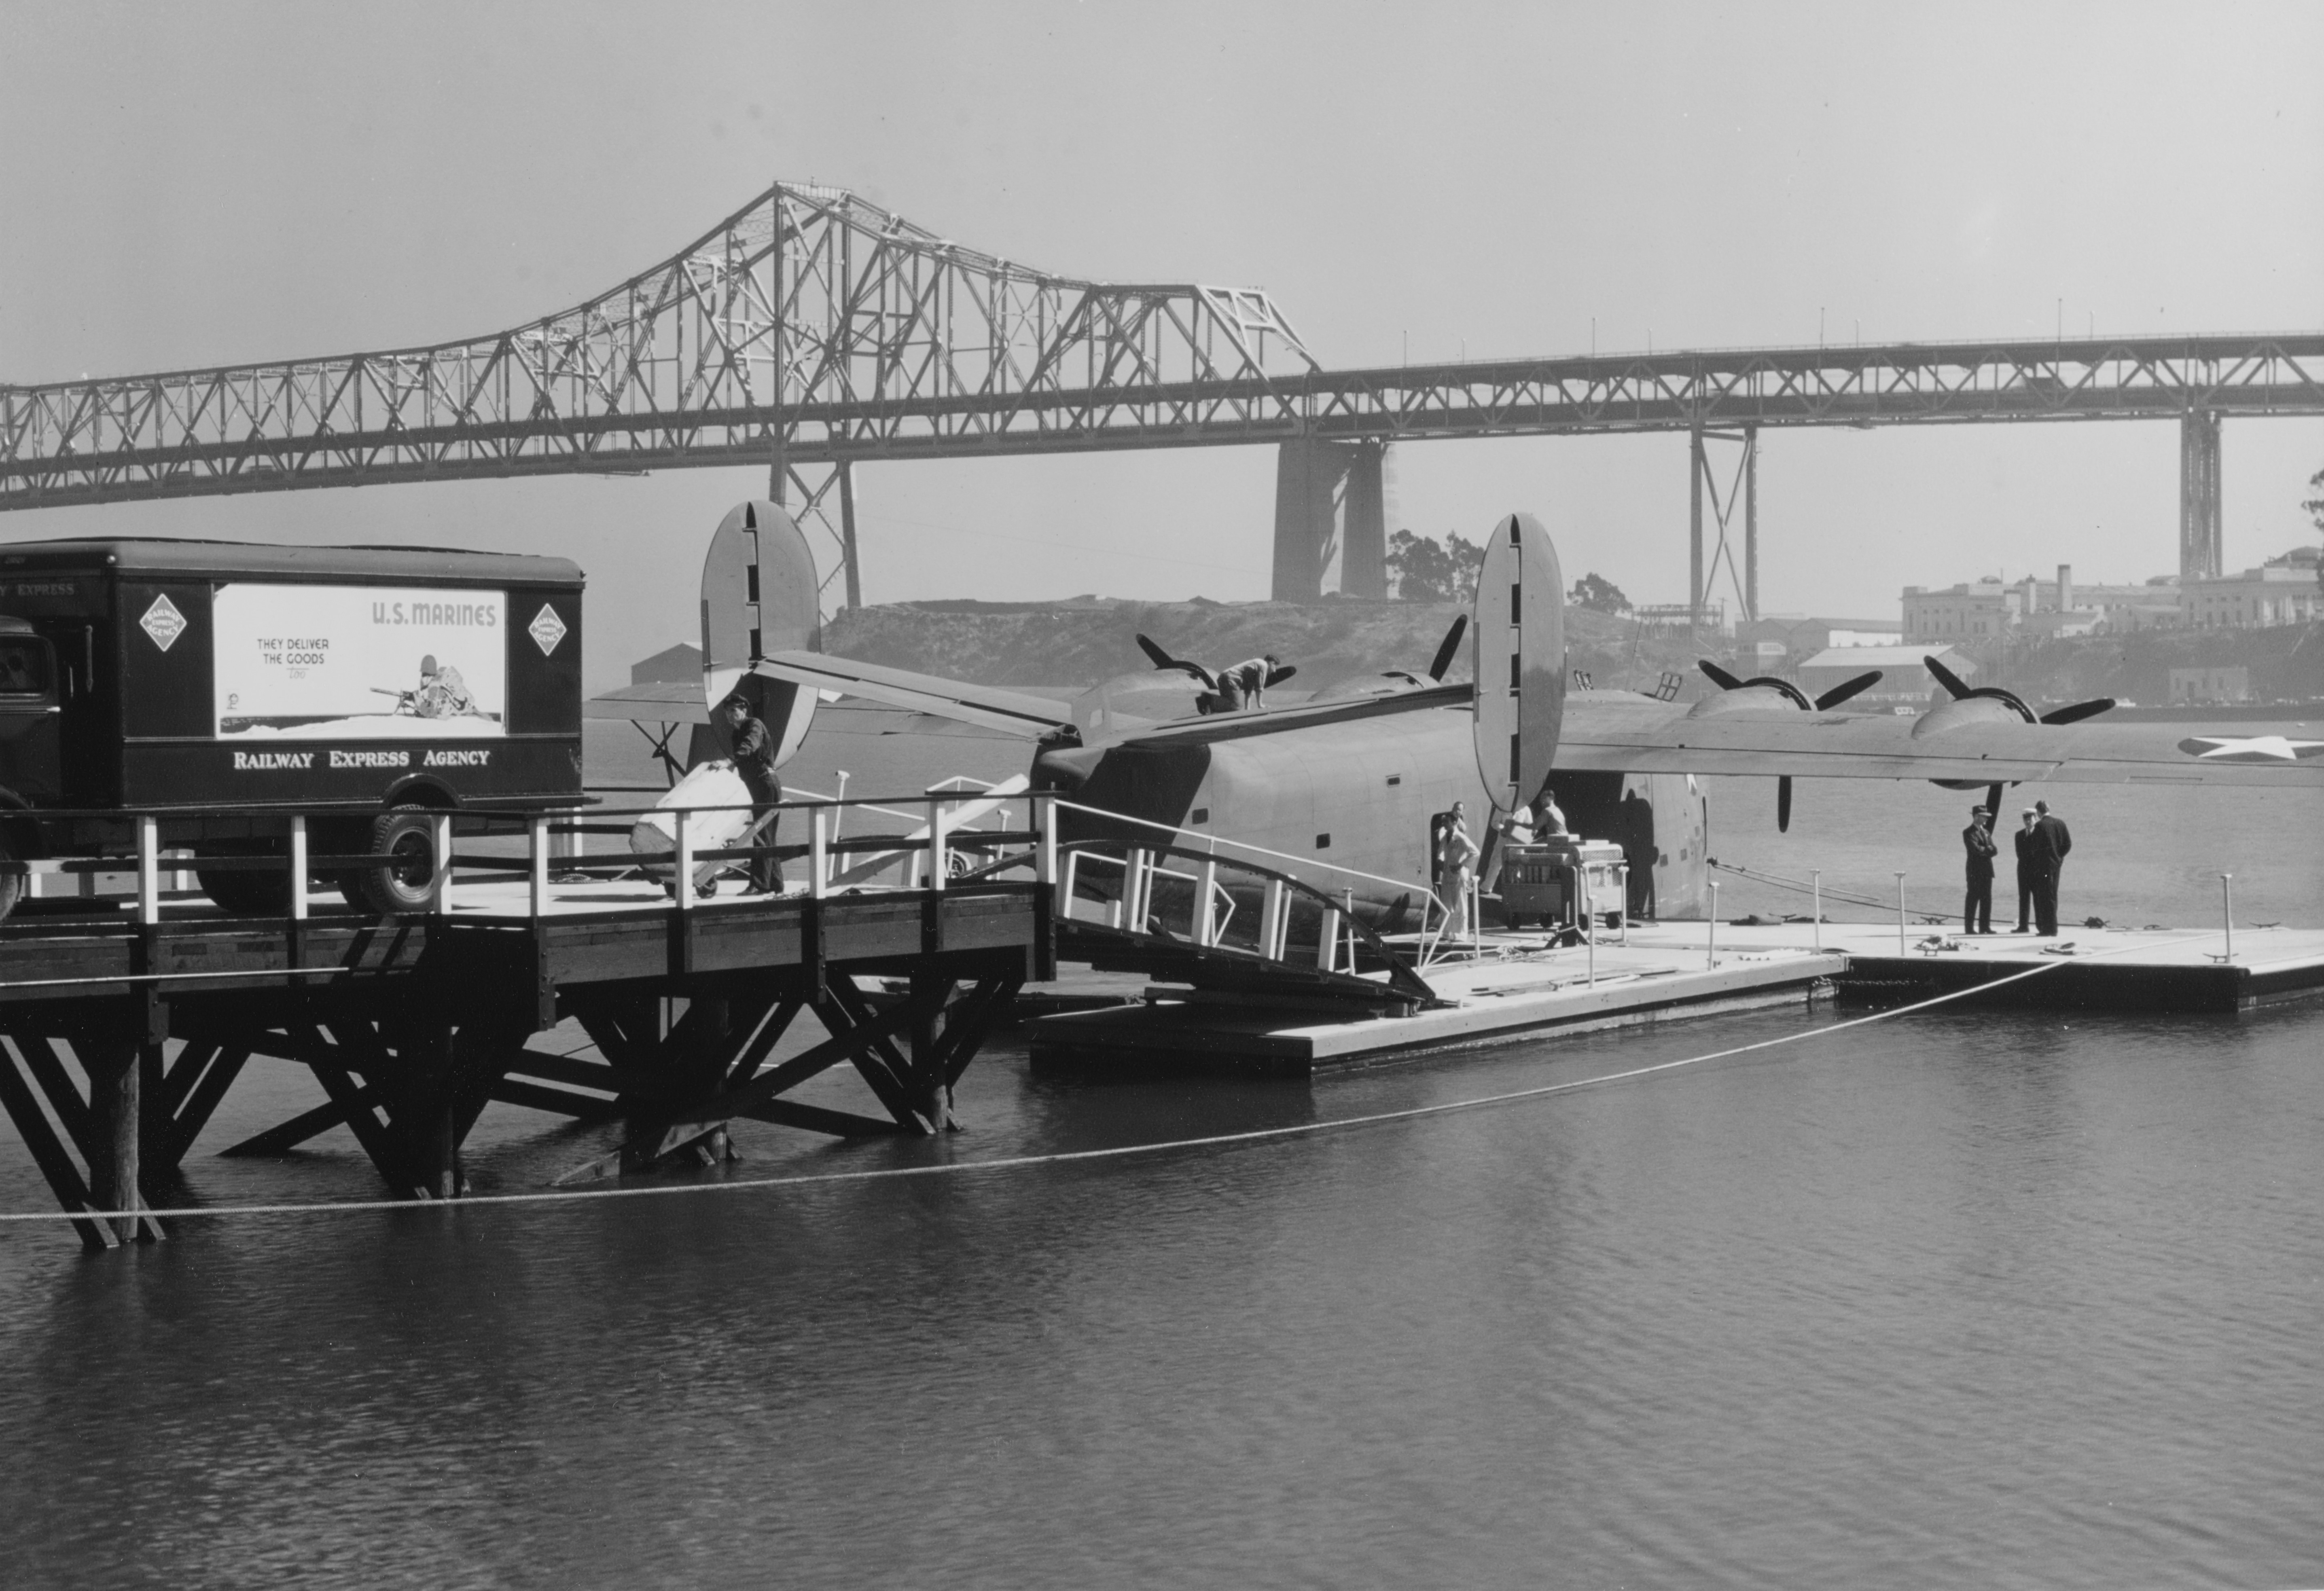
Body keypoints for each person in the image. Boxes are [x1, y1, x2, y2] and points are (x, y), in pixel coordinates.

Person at [721, 691, 784, 893]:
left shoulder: (754, 725)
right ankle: (775, 884)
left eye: (734, 711)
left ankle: (759, 885)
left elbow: (751, 745)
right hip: (754, 785)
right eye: (727, 712)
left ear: (743, 710)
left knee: (761, 833)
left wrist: (730, 760)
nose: (730, 715)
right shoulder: (736, 733)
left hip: (765, 783)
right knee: (766, 835)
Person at [1439, 801, 1481, 935]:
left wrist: (1461, 865)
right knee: (1446, 905)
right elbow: (1440, 853)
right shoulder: (1446, 837)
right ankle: (1447, 933)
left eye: (1447, 822)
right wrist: (1440, 862)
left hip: (1458, 874)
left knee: (1460, 906)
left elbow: (1475, 852)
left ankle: (1461, 934)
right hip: (1447, 875)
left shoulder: (1460, 836)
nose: (1444, 824)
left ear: (1454, 823)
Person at [2031, 798, 2070, 935]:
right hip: (2056, 866)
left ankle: (2049, 929)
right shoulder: (2060, 823)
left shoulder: (2040, 826)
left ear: (2039, 812)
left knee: (2045, 897)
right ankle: (2052, 927)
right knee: (2053, 895)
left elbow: (2035, 847)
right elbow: (2068, 844)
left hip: (2044, 867)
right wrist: (2059, 857)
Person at [1618, 787, 1657, 919]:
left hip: (1632, 855)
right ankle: (1638, 909)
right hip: (1642, 856)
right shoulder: (1644, 808)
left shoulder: (1623, 810)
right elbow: (1648, 834)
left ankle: (1634, 909)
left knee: (1633, 882)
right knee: (1642, 883)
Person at [1961, 804, 1997, 934]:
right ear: (1976, 817)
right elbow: (1975, 849)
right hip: (1974, 871)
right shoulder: (1968, 832)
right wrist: (1988, 850)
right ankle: (1969, 928)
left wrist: (1987, 850)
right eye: (1984, 817)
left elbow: (1995, 850)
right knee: (1973, 898)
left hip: (1987, 870)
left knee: (1987, 899)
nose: (1986, 819)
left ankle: (1985, 927)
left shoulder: (1986, 832)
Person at [410, 654, 476, 719]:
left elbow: (432, 714)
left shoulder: (434, 686)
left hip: (461, 711)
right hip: (467, 704)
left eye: (424, 675)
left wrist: (420, 705)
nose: (422, 679)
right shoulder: (439, 679)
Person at [1212, 654, 1280, 712]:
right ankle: (1209, 700)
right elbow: (1259, 687)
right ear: (1272, 663)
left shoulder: (1256, 664)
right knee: (1237, 706)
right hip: (1231, 679)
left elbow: (1249, 687)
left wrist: (1247, 709)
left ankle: (1207, 702)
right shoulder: (1264, 665)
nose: (1274, 671)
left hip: (1223, 677)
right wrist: (1260, 705)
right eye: (1275, 667)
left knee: (1228, 703)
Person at [2011, 807, 2041, 933]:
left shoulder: (2040, 833)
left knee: (2038, 900)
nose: (2028, 822)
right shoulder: (2019, 835)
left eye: (2030, 820)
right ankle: (2023, 926)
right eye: (2026, 820)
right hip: (2023, 871)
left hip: (2037, 872)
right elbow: (2020, 854)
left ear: (2036, 819)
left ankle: (2041, 926)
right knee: (2024, 899)